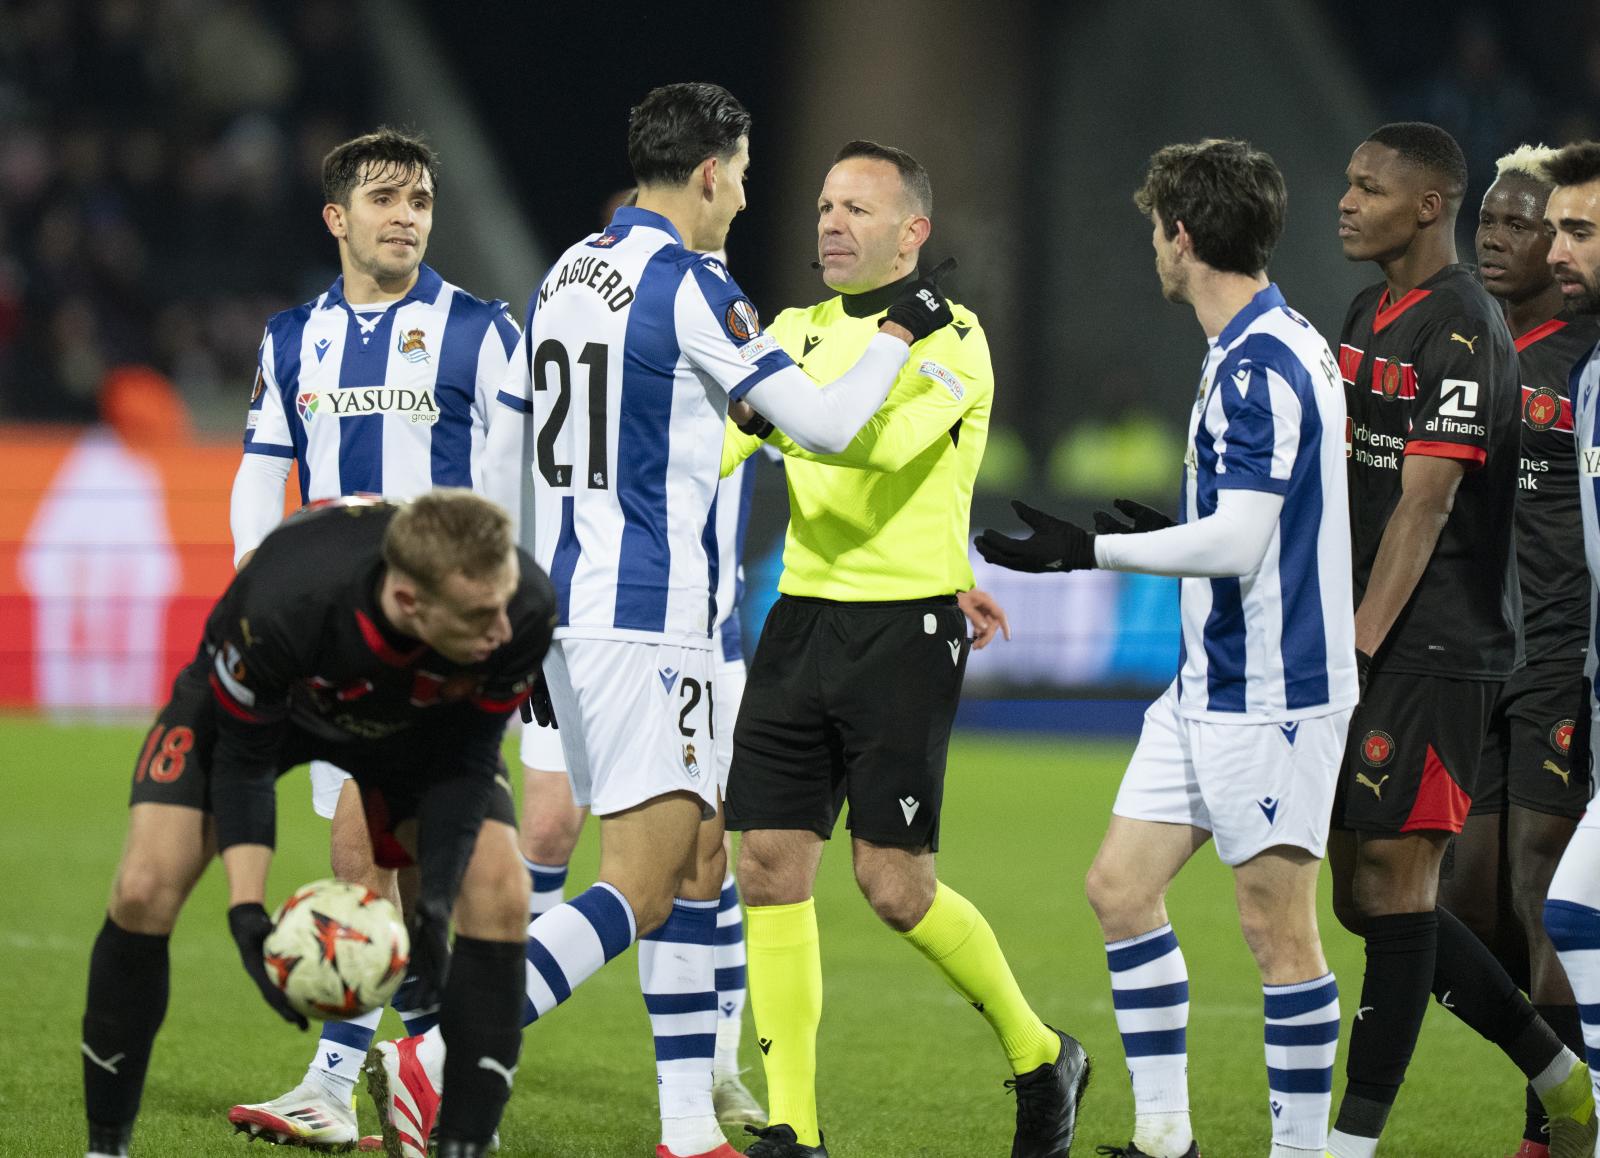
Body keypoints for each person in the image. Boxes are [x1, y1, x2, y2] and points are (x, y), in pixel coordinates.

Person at [369, 83, 955, 1158]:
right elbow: (821, 426)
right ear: (707, 172)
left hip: (574, 607)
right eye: (738, 171)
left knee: (694, 861)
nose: (743, 193)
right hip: (653, 621)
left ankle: (688, 1128)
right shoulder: (695, 287)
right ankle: (440, 1051)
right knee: (638, 885)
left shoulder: (564, 273)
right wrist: (897, 333)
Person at [979, 137, 1353, 1158]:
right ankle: (1163, 1143)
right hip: (1209, 684)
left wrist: (1090, 550)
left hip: (1271, 690)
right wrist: (1178, 520)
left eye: (1155, 229)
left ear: (1181, 237)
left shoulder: (1258, 367)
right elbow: (1257, 513)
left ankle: (1302, 1152)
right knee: (1118, 888)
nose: (1154, 247)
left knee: (1278, 932)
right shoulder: (1266, 342)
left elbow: (1241, 539)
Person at [720, 139, 1082, 1158]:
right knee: (770, 867)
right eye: (825, 204)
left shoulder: (951, 339)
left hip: (905, 629)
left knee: (892, 888)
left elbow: (866, 445)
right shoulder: (789, 327)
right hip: (797, 620)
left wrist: (768, 412)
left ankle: (1038, 1052)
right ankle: (793, 1125)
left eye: (857, 210)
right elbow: (722, 442)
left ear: (911, 233)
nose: (829, 223)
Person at [79, 491, 555, 1158]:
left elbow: (467, 767)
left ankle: (463, 1147)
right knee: (142, 886)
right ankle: (106, 1149)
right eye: (480, 617)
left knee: (502, 895)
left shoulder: (520, 607)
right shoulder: (284, 597)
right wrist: (247, 911)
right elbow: (243, 764)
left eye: (502, 608)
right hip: (275, 707)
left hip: (415, 724)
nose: (502, 631)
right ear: (410, 601)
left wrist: (436, 904)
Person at [222, 127, 523, 1150]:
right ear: (337, 218)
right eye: (386, 197)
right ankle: (420, 1067)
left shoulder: (481, 333)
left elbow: (516, 485)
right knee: (384, 863)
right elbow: (263, 471)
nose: (407, 215)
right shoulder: (290, 337)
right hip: (326, 643)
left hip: (435, 644)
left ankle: (363, 1074)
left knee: (375, 852)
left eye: (422, 199)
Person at [1327, 122, 1591, 1158]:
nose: (1344, 202)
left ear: (1422, 202)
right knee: (1363, 898)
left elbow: (1425, 506)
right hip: (1374, 636)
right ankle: (1558, 1071)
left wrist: (1354, 647)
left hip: (1439, 643)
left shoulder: (1463, 331)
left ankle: (1350, 1139)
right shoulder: (1366, 312)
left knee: (1443, 885)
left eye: (1366, 187)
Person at [1437, 144, 1600, 1158]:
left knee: (1549, 892)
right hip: (1483, 658)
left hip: (1562, 655)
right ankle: (1558, 1076)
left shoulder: (1581, 359)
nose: (1497, 237)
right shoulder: (1476, 345)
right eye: (1485, 220)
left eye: (1524, 223)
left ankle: (1550, 1123)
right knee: (1459, 907)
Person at [1543, 136, 1600, 1158]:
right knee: (1576, 910)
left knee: (1572, 903)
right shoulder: (1591, 370)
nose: (1557, 249)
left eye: (1580, 231)